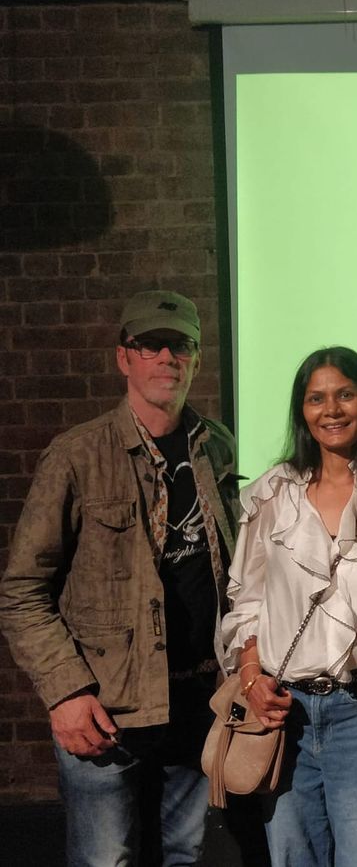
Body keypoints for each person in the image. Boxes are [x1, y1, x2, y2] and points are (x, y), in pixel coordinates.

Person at [0, 291, 238, 866]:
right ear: (123, 358)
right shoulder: (76, 455)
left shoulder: (217, 446)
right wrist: (65, 694)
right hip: (108, 711)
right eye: (149, 345)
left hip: (196, 704)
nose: (166, 357)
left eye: (179, 345)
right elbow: (22, 591)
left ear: (197, 359)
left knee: (183, 854)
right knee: (107, 860)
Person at [221, 347, 357, 867]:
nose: (332, 409)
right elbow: (246, 599)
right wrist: (253, 677)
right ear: (301, 411)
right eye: (316, 398)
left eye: (345, 394)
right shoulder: (272, 495)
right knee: (293, 857)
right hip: (284, 711)